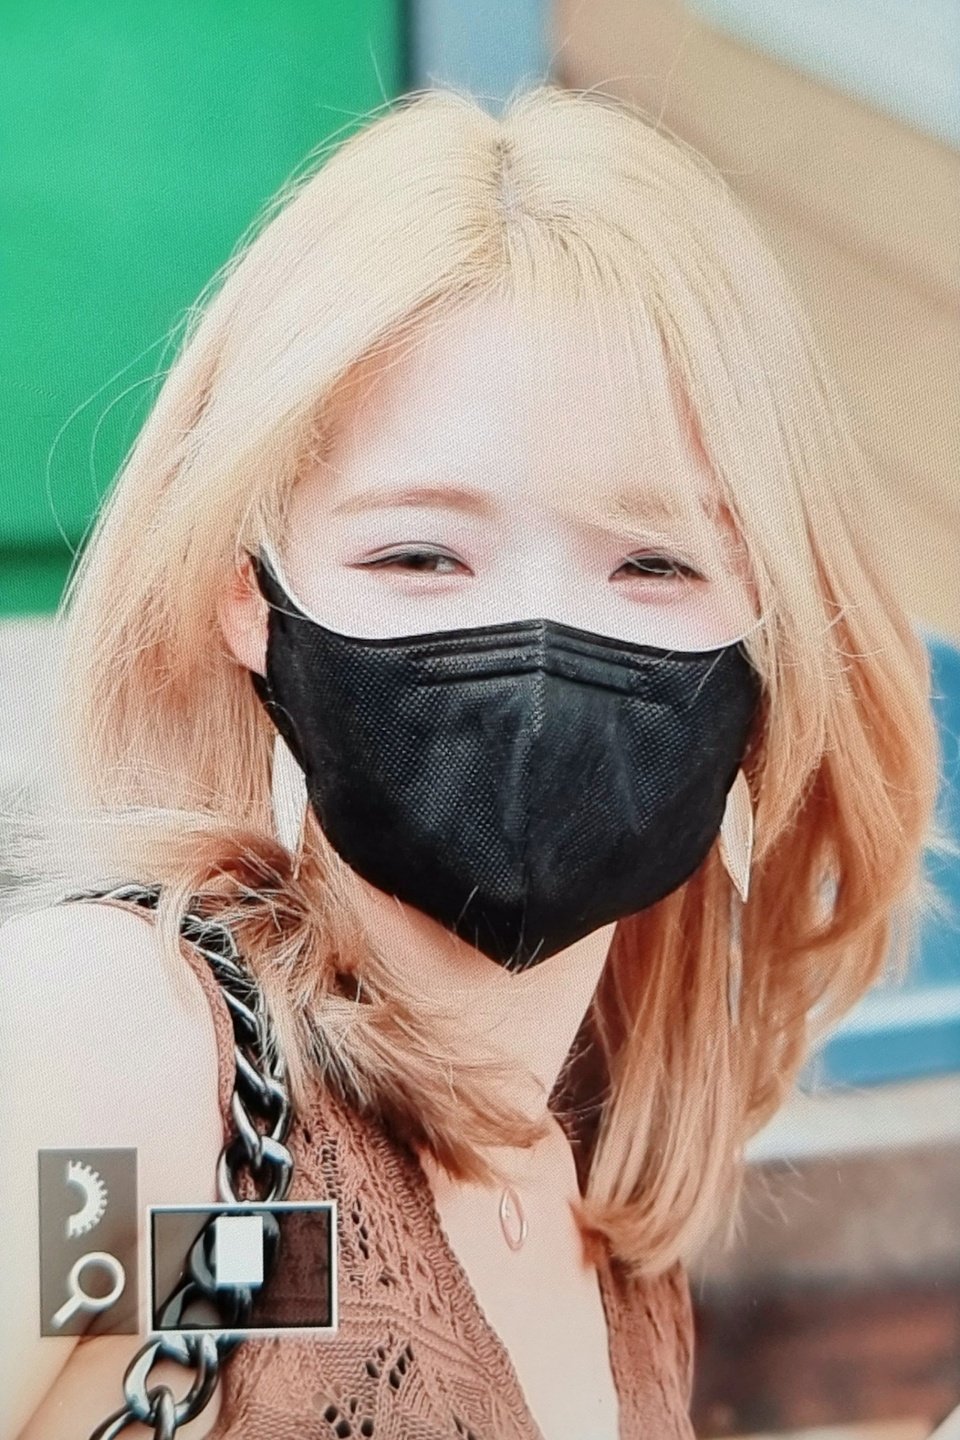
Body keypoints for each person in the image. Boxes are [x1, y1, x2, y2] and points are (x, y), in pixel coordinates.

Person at [1, 82, 946, 1440]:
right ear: (248, 597)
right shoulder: (113, 1060)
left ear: (778, 637)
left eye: (655, 562)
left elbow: (270, 1310)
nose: (539, 648)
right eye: (419, 554)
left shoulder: (601, 1224)